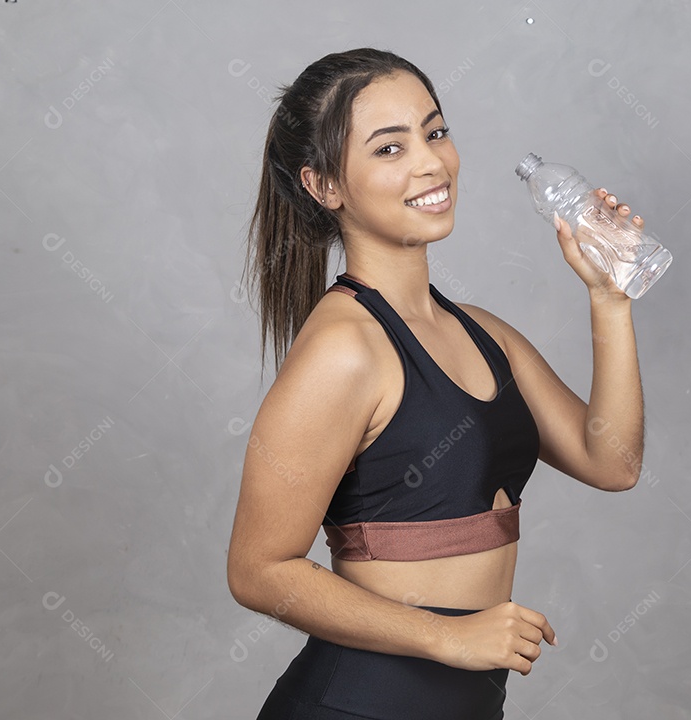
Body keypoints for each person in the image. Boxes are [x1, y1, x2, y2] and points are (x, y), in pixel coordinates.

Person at [226, 47, 646, 719]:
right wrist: (447, 636)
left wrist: (611, 300)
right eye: (389, 149)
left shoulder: (484, 333)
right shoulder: (344, 349)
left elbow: (613, 462)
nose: (431, 162)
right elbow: (257, 570)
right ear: (324, 186)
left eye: (436, 131)